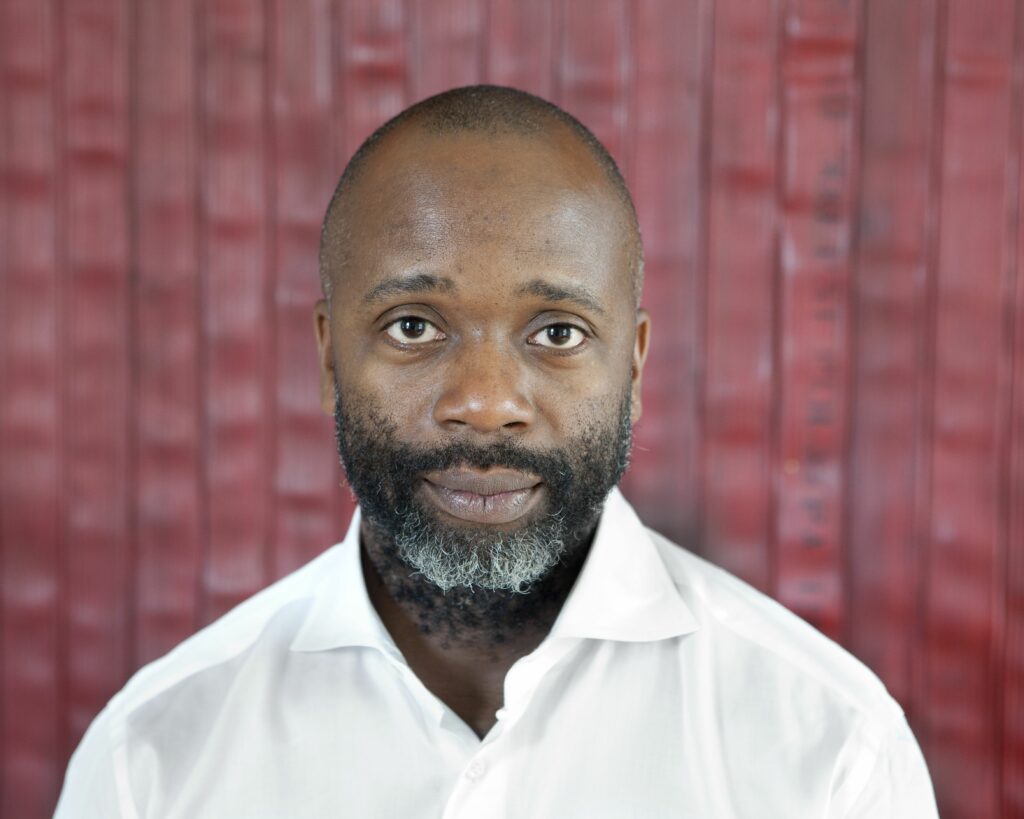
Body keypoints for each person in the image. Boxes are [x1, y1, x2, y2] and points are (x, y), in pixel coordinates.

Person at [55, 85, 938, 818]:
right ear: (329, 356)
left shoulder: (827, 749)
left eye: (556, 331)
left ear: (632, 363)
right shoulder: (154, 760)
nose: (484, 402)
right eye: (413, 325)